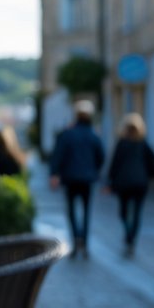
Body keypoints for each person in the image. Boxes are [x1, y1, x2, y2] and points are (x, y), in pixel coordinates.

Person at [49, 99, 105, 259]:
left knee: (72, 211)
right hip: (87, 179)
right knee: (86, 211)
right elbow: (101, 156)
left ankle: (75, 240)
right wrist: (94, 170)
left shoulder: (68, 134)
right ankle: (84, 243)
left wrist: (54, 174)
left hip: (71, 178)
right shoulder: (93, 135)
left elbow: (58, 155)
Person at [105, 113, 154, 257]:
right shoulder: (142, 144)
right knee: (137, 213)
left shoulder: (123, 143)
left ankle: (128, 234)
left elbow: (114, 164)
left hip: (124, 183)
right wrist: (152, 177)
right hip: (140, 183)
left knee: (124, 212)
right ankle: (131, 237)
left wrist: (110, 182)